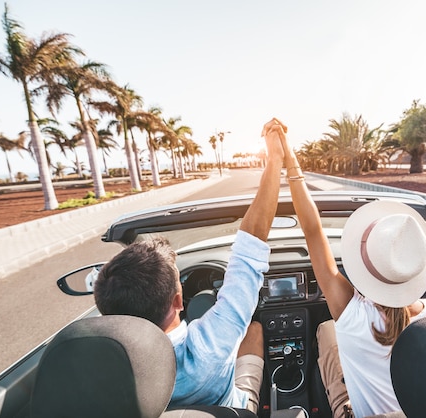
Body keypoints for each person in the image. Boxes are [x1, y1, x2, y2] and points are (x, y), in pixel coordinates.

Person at [93, 118, 287, 413]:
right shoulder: (209, 346)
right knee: (255, 329)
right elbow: (252, 242)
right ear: (179, 300)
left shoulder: (104, 371)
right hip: (231, 410)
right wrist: (275, 159)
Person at [276, 120, 426, 417]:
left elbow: (313, 230)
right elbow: (313, 231)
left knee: (326, 330)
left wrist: (289, 159)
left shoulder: (352, 317)